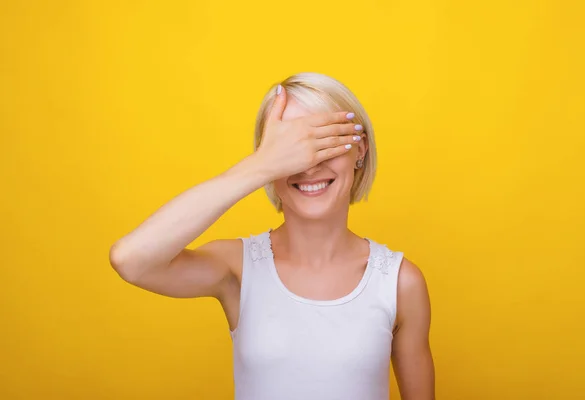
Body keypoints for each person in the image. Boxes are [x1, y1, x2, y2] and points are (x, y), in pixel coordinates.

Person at [109, 72, 435, 400]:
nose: (308, 166)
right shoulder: (237, 268)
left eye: (324, 142)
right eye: (289, 149)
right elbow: (131, 259)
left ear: (360, 150)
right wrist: (262, 165)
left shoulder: (400, 282)